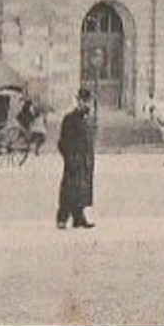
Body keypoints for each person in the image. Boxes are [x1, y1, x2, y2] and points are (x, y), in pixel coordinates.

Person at [56, 89, 96, 229]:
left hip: (84, 160)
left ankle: (78, 217)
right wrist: (69, 157)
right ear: (78, 101)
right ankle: (62, 218)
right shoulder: (70, 119)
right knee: (69, 190)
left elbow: (88, 140)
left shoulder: (87, 119)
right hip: (73, 159)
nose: (84, 104)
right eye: (82, 101)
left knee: (82, 189)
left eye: (87, 101)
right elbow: (62, 142)